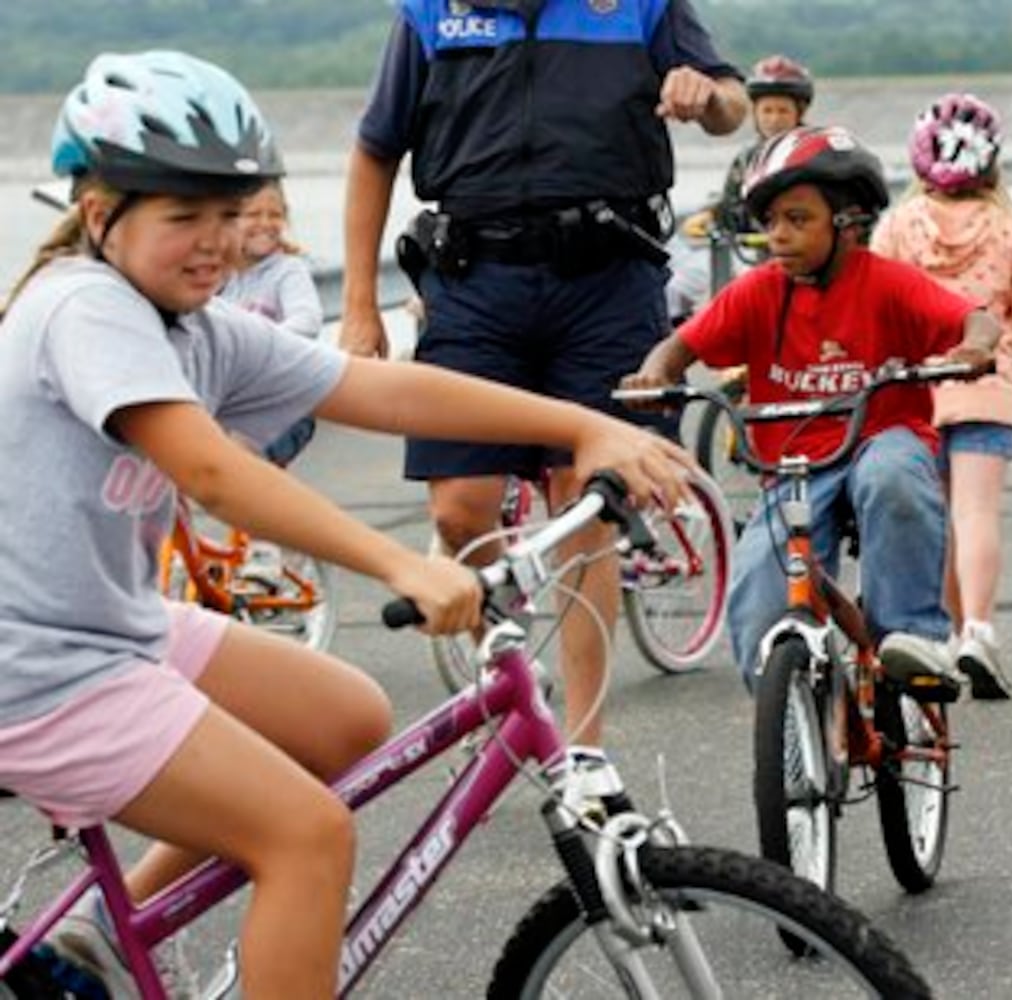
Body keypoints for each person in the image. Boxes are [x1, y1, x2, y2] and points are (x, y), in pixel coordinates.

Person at [0, 50, 693, 998]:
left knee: (348, 719)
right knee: (305, 835)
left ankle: (92, 935)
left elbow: (378, 387)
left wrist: (584, 425)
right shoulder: (85, 305)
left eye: (232, 216)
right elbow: (212, 471)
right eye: (183, 217)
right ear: (98, 216)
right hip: (34, 668)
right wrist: (396, 565)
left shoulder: (194, 327)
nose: (216, 242)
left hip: (111, 629)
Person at [337, 0, 747, 789]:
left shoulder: (636, 5)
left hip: (607, 277)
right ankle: (510, 660)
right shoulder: (430, 10)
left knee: (584, 502)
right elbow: (374, 149)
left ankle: (584, 750)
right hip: (473, 281)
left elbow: (730, 105)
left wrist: (707, 93)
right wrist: (360, 305)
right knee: (459, 507)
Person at [622, 125, 1001, 697]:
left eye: (798, 220)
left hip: (881, 436)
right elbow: (680, 347)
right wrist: (657, 372)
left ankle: (913, 638)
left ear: (848, 224)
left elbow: (978, 318)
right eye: (770, 222)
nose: (778, 236)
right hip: (795, 464)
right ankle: (796, 715)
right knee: (757, 585)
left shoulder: (889, 284)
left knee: (893, 479)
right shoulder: (757, 292)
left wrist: (972, 347)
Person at [870, 93, 1012, 700]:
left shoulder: (899, 226)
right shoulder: (1007, 229)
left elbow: (873, 306)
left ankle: (950, 635)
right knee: (976, 514)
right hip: (988, 387)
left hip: (916, 392)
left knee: (938, 521)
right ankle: (979, 630)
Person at [670, 54, 815, 323]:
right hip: (750, 257)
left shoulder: (815, 155)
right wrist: (712, 214)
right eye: (767, 111)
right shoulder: (746, 159)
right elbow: (732, 204)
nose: (774, 119)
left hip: (801, 261)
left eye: (782, 111)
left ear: (799, 113)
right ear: (755, 113)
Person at [220, 179, 323, 467]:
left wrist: (256, 344)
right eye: (253, 214)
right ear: (228, 219)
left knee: (245, 465)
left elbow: (307, 320)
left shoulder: (289, 270)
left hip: (284, 403)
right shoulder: (217, 277)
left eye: (274, 215)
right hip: (231, 402)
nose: (265, 223)